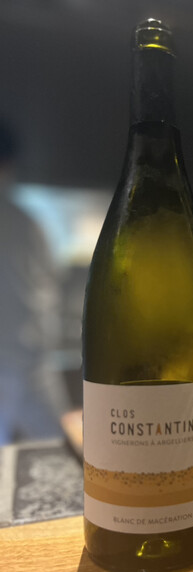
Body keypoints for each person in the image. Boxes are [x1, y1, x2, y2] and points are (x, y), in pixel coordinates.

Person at [0, 121, 68, 444]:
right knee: (61, 458)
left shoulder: (26, 224)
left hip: (30, 369)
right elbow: (49, 290)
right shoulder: (26, 225)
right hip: (31, 367)